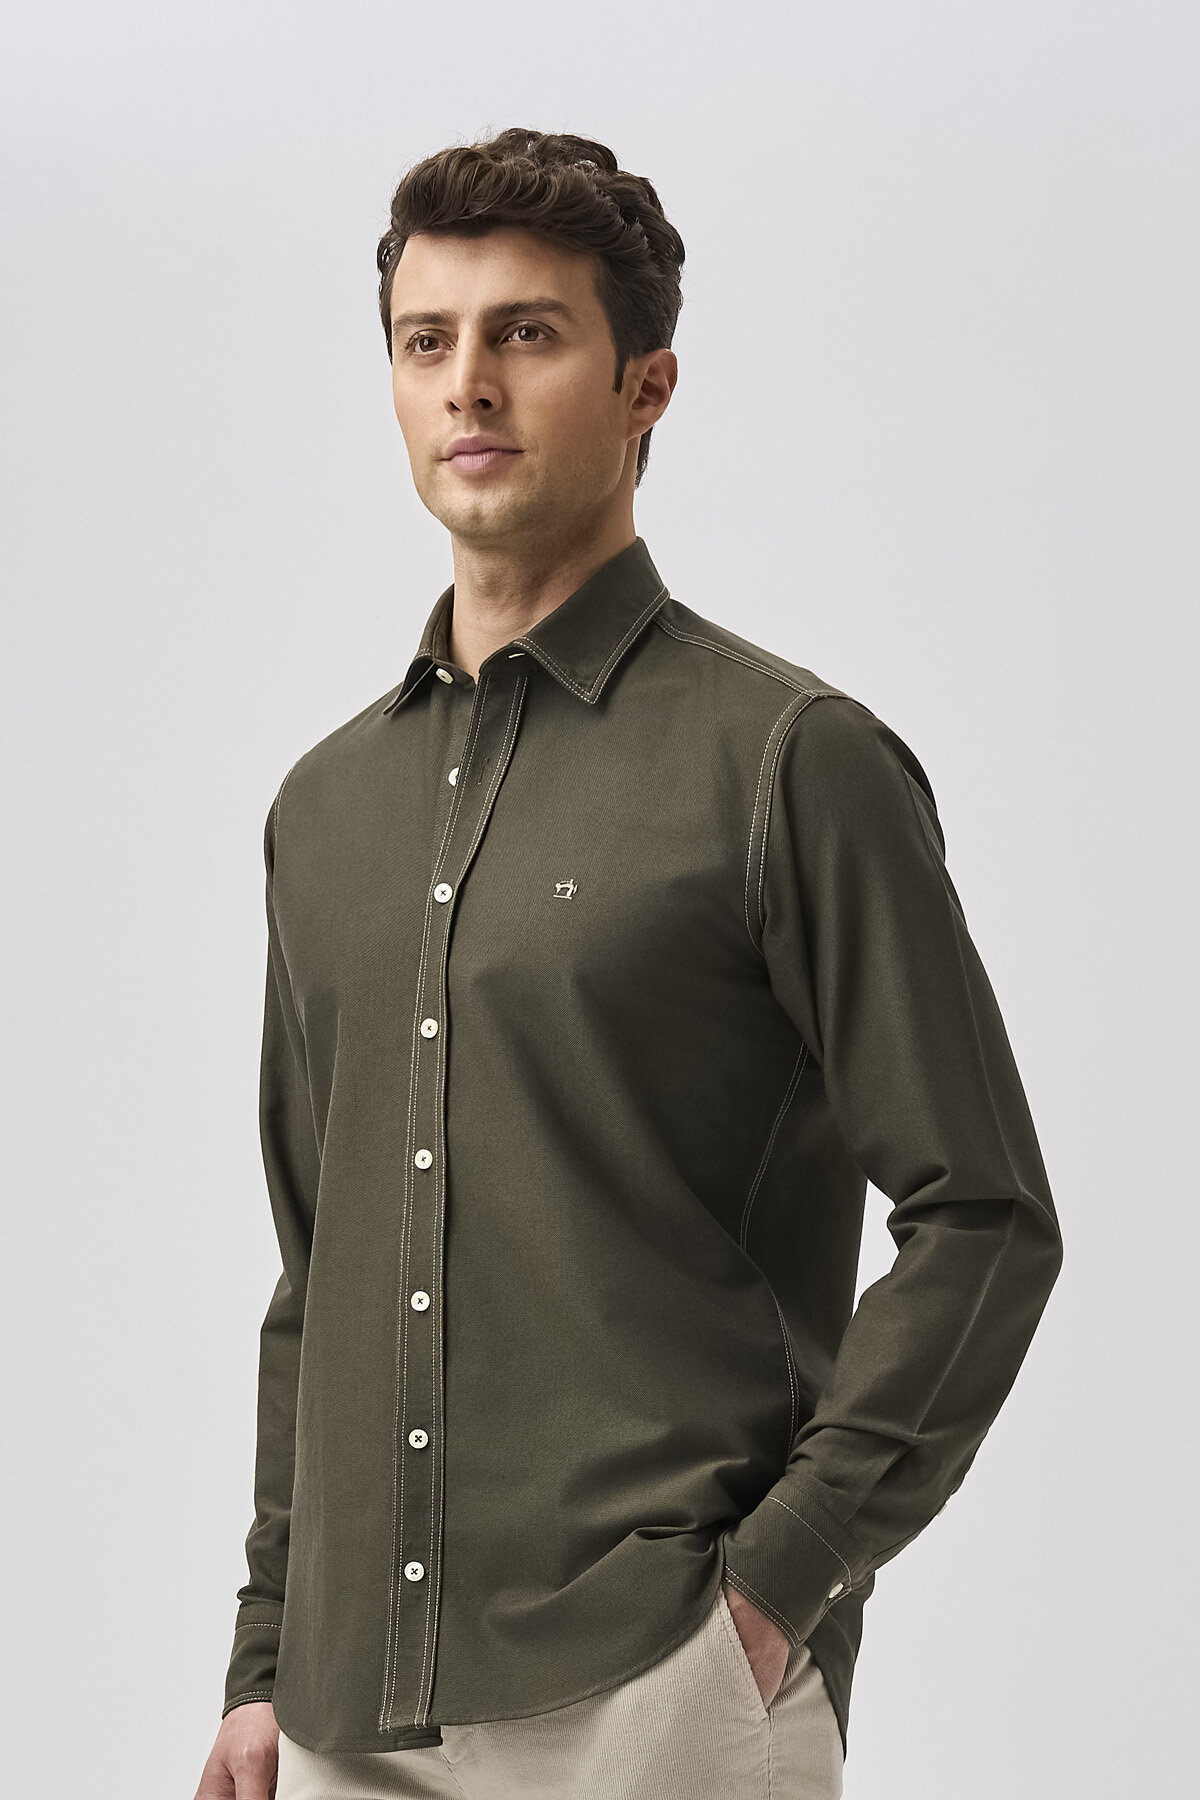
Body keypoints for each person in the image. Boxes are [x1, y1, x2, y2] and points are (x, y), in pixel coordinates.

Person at [192, 127, 1063, 1800]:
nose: (468, 384)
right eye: (426, 341)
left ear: (646, 384)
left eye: (526, 333)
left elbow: (986, 1214)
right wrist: (261, 1661)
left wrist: (775, 1592)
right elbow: (319, 1273)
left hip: (654, 1691)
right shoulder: (324, 807)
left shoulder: (788, 761)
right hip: (345, 1711)